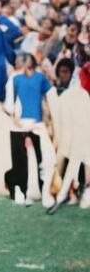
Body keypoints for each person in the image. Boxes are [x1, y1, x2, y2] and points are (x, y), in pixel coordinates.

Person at [4, 53, 56, 208]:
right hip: (21, 126)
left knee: (47, 160)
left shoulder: (40, 78)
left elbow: (50, 96)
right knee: (24, 164)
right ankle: (26, 193)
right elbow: (9, 105)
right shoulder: (15, 79)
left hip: (38, 125)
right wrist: (16, 120)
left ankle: (46, 192)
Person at [45, 59, 90, 213]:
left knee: (82, 166)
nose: (64, 75)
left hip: (82, 137)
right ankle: (63, 195)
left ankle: (76, 195)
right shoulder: (61, 94)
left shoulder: (81, 95)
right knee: (70, 167)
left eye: (66, 72)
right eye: (61, 72)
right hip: (72, 138)